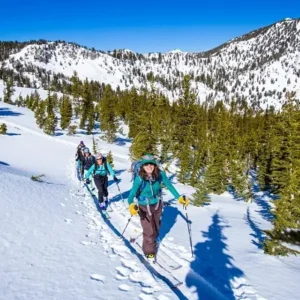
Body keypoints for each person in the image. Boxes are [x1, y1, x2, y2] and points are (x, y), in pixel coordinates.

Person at [127, 153, 189, 259]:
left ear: (155, 165)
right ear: (143, 166)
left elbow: (169, 185)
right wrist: (131, 205)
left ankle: (153, 239)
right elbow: (131, 195)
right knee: (149, 230)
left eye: (151, 164)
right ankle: (149, 251)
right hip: (144, 206)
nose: (149, 166)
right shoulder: (139, 178)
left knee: (156, 225)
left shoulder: (159, 174)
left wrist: (179, 197)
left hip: (157, 204)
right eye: (146, 165)